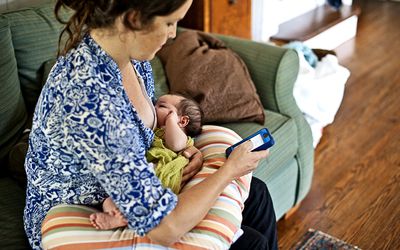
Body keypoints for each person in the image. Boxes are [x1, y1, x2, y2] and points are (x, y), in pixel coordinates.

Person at [23, 0, 278, 249]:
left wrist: (185, 150)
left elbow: (143, 127)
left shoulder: (132, 59)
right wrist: (229, 170)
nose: (173, 33)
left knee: (257, 194)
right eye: (170, 22)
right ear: (134, 19)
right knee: (253, 242)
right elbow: (164, 229)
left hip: (127, 183)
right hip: (87, 211)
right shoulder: (90, 99)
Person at [89, 93, 204, 230]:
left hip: (155, 176)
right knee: (109, 200)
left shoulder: (181, 138)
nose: (153, 108)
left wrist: (171, 121)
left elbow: (176, 145)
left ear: (183, 121)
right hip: (136, 177)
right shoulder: (152, 131)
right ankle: (117, 216)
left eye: (161, 106)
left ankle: (123, 216)